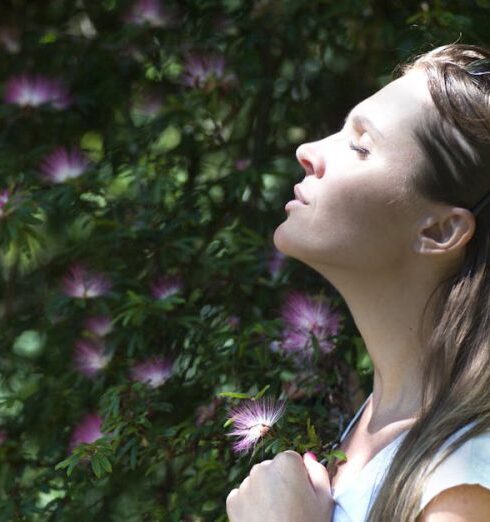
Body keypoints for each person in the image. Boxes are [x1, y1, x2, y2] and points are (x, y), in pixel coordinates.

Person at [226, 42, 490, 521]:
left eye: (359, 146)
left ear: (440, 230)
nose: (307, 151)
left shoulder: (464, 484)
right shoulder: (381, 422)